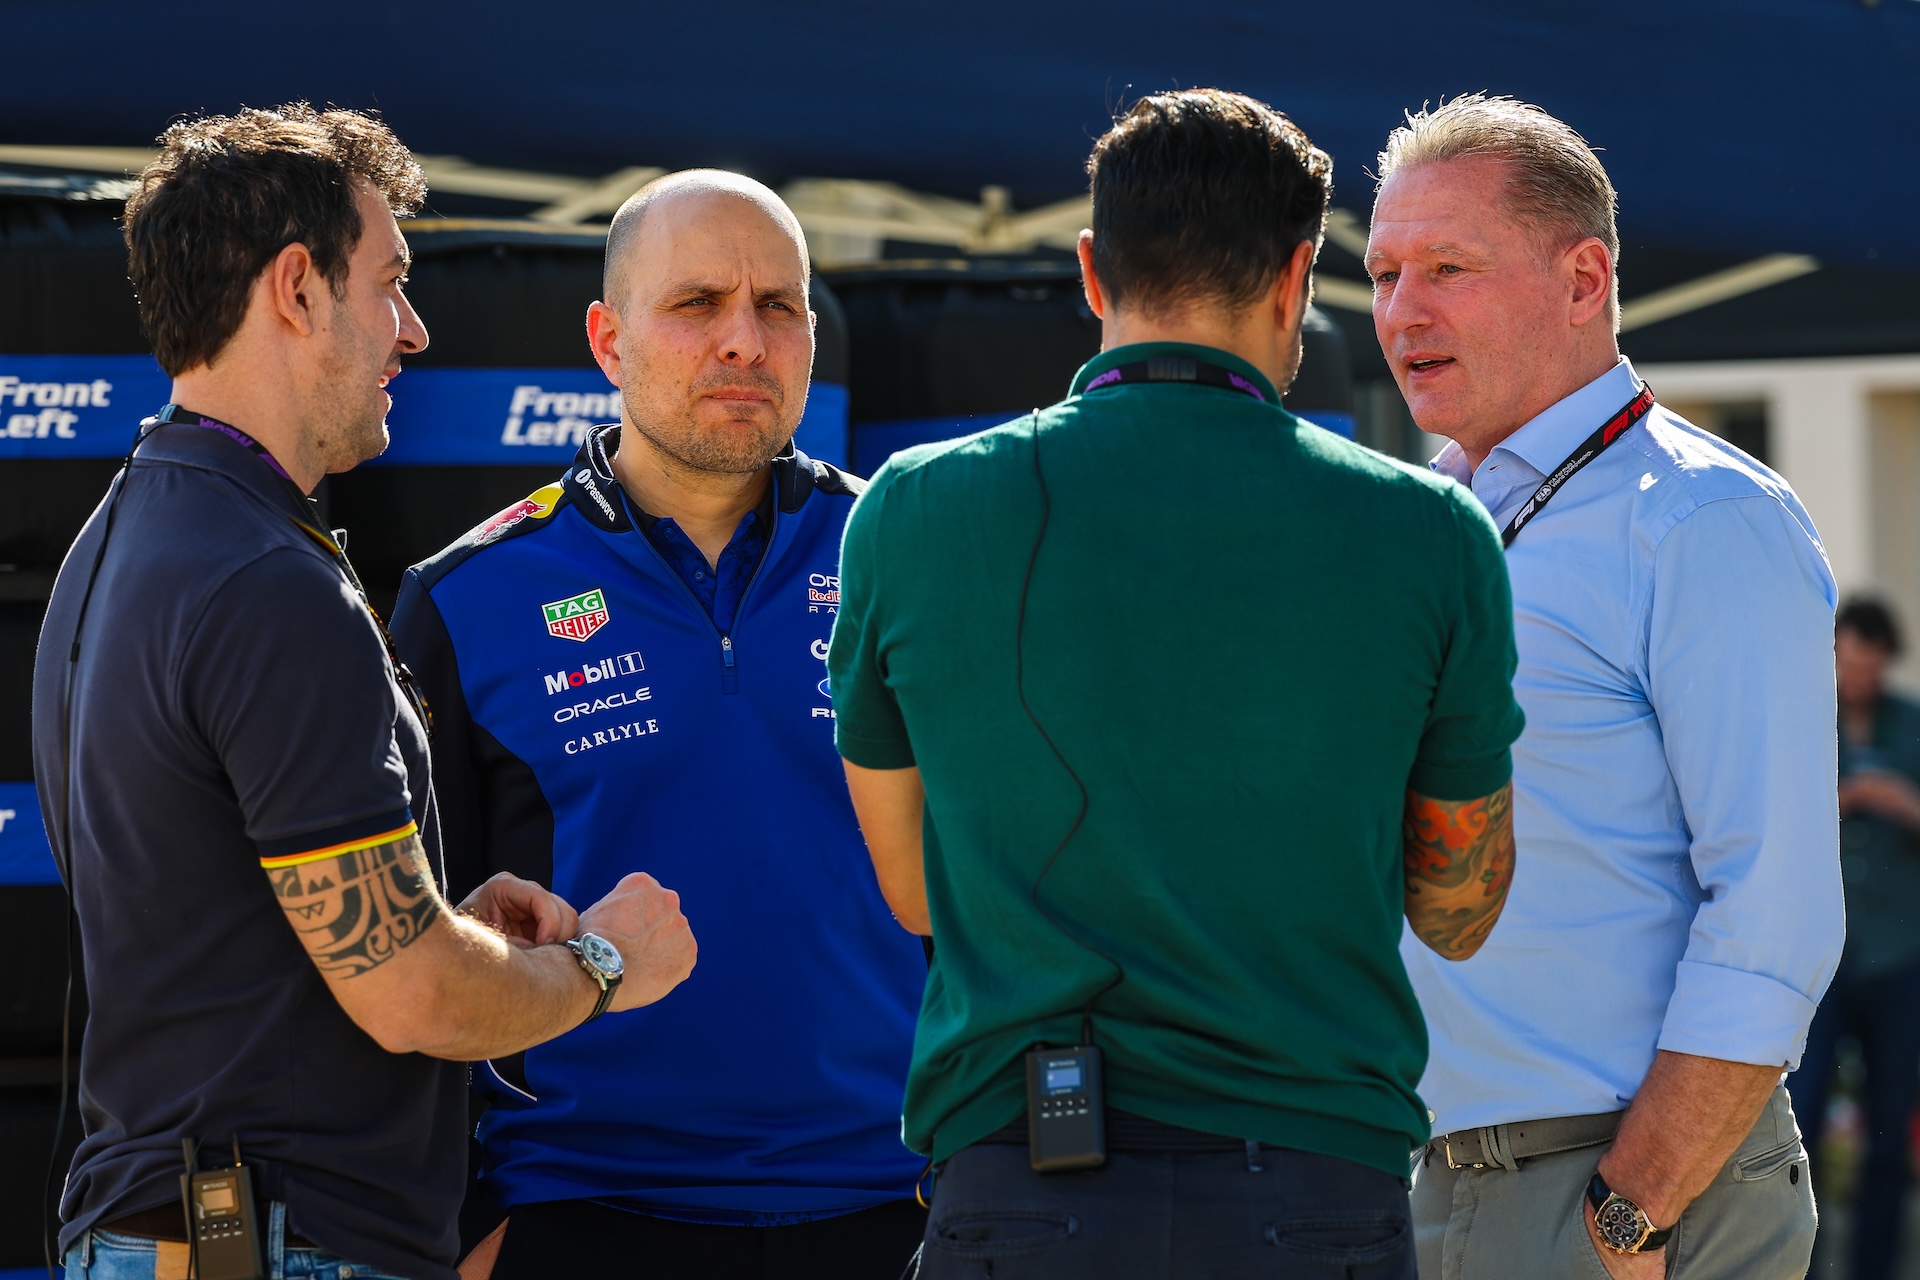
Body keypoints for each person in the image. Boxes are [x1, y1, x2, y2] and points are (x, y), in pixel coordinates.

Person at [827, 88, 1526, 1280]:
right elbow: (1457, 911)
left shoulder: (910, 509)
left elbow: (913, 887)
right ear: (1299, 275)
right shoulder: (1433, 531)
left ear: (1092, 271)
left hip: (1021, 1173)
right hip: (1315, 1180)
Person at [29, 105, 697, 1280]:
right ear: (297, 287)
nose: (415, 329)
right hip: (273, 1239)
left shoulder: (128, 535)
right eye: (389, 283)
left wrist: (449, 918)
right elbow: (409, 994)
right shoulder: (262, 581)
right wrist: (601, 966)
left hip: (193, 1227)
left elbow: (268, 937)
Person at [389, 170, 928, 1280]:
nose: (745, 340)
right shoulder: (466, 595)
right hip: (582, 1206)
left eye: (780, 306)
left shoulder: (912, 557)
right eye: (697, 304)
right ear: (608, 338)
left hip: (891, 1203)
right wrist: (466, 1237)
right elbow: (403, 953)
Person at [1366, 94, 1842, 1280]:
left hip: (1624, 1190)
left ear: (1585, 279)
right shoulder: (1425, 515)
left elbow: (1774, 914)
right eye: (1379, 273)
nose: (1399, 310)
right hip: (1428, 1175)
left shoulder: (1704, 518)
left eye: (1446, 266)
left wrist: (1632, 1211)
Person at [1788, 597, 1920, 1280]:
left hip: (1900, 957)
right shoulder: (1809, 722)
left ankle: (1875, 1268)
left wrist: (1899, 801)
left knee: (1889, 1130)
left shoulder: (1913, 725)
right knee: (1800, 1118)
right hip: (1823, 959)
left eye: (1872, 664)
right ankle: (1801, 1268)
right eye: (1849, 662)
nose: (1859, 675)